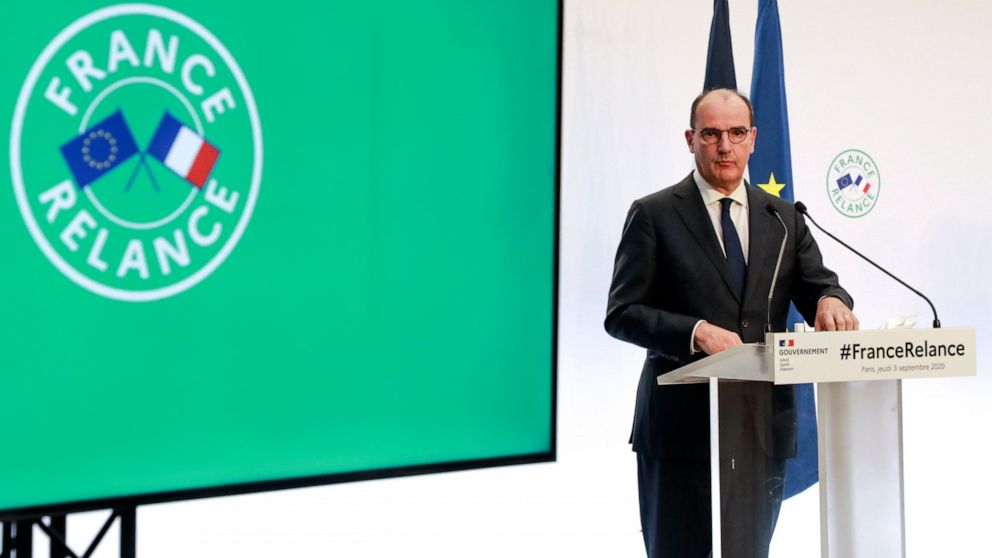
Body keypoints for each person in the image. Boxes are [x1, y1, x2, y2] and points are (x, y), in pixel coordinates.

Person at [604, 88, 858, 558]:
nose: (725, 146)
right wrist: (695, 332)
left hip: (760, 431)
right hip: (681, 433)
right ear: (690, 139)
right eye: (712, 134)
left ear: (753, 139)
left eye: (737, 133)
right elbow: (622, 313)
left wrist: (830, 301)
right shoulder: (654, 214)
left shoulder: (783, 218)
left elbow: (820, 286)